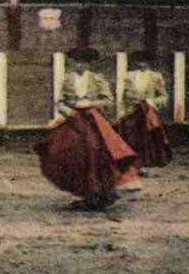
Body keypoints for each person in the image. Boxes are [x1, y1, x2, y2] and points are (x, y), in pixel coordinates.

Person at [33, 47, 139, 210]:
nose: (79, 65)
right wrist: (68, 110)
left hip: (93, 120)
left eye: (83, 62)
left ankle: (102, 191)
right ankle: (86, 192)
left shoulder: (97, 79)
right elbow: (60, 101)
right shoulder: (67, 79)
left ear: (89, 64)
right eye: (77, 62)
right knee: (69, 152)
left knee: (96, 151)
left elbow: (108, 100)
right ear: (72, 63)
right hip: (73, 118)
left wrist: (90, 104)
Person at [117, 50, 172, 174]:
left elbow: (164, 96)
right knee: (131, 138)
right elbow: (123, 97)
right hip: (132, 111)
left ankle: (144, 165)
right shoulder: (129, 76)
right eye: (139, 61)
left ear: (149, 63)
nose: (141, 64)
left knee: (147, 140)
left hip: (147, 112)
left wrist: (151, 100)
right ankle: (132, 165)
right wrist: (122, 111)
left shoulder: (156, 76)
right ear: (135, 62)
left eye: (144, 61)